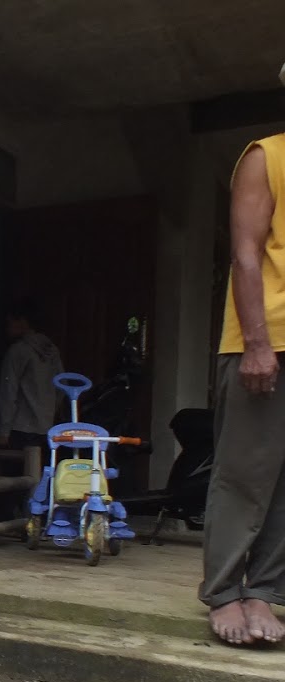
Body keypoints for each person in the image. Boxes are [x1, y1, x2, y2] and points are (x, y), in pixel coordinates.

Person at [201, 91, 285, 646]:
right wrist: (256, 343)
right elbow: (247, 252)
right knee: (244, 472)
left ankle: (268, 591)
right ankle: (226, 590)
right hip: (269, 337)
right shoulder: (266, 155)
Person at [0, 307, 64, 450]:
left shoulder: (18, 351)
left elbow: (8, 393)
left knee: (19, 470)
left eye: (10, 323)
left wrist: (3, 430)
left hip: (21, 427)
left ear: (22, 322)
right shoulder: (52, 350)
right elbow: (61, 387)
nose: (7, 329)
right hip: (47, 427)